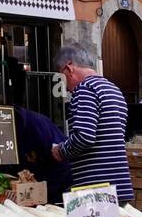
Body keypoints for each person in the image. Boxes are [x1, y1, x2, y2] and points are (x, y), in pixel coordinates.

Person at [51, 42, 134, 202]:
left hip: (96, 190)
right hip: (120, 186)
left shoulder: (85, 90)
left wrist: (61, 151)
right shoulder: (113, 89)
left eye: (60, 77)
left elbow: (84, 137)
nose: (66, 88)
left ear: (69, 68)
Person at [13, 104, 72, 203]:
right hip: (49, 167)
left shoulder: (35, 125)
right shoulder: (26, 122)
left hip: (57, 170)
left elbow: (44, 153)